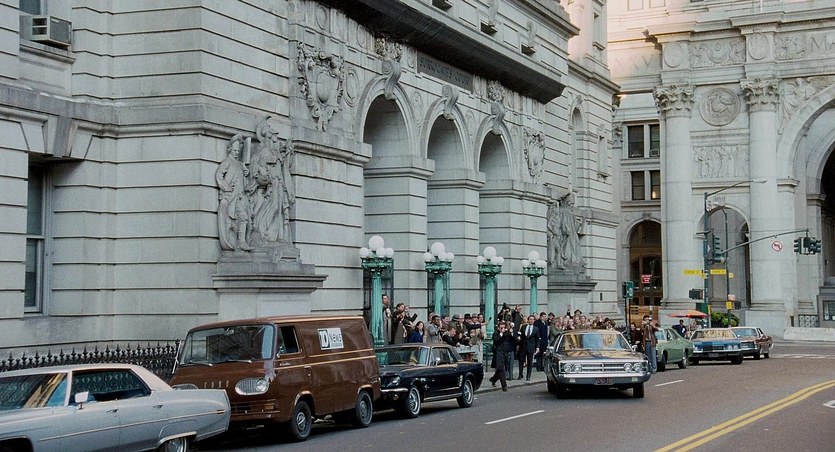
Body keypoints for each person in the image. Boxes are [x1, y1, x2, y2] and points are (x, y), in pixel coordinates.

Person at [215, 134, 252, 251]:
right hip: (230, 196)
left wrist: (245, 173)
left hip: (239, 196)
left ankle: (241, 241)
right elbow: (219, 174)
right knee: (230, 218)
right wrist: (225, 187)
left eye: (237, 151)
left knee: (244, 217)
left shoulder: (240, 164)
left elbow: (243, 180)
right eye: (234, 150)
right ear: (230, 150)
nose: (236, 152)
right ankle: (234, 238)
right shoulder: (227, 162)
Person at [488, 321, 514, 391]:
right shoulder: (495, 334)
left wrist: (511, 333)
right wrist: (502, 334)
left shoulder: (507, 333)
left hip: (505, 353)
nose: (502, 329)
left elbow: (512, 340)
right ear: (498, 328)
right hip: (498, 353)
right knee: (501, 369)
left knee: (499, 369)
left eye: (504, 328)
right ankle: (504, 386)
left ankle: (493, 379)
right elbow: (497, 341)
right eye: (501, 328)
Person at [517, 315, 540, 381]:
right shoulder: (523, 327)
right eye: (530, 319)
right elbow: (520, 334)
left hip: (531, 347)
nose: (531, 320)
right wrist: (518, 339)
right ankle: (520, 374)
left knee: (530, 362)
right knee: (521, 361)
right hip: (523, 346)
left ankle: (528, 376)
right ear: (528, 320)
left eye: (532, 319)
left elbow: (537, 339)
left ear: (534, 321)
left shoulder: (536, 329)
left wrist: (537, 347)